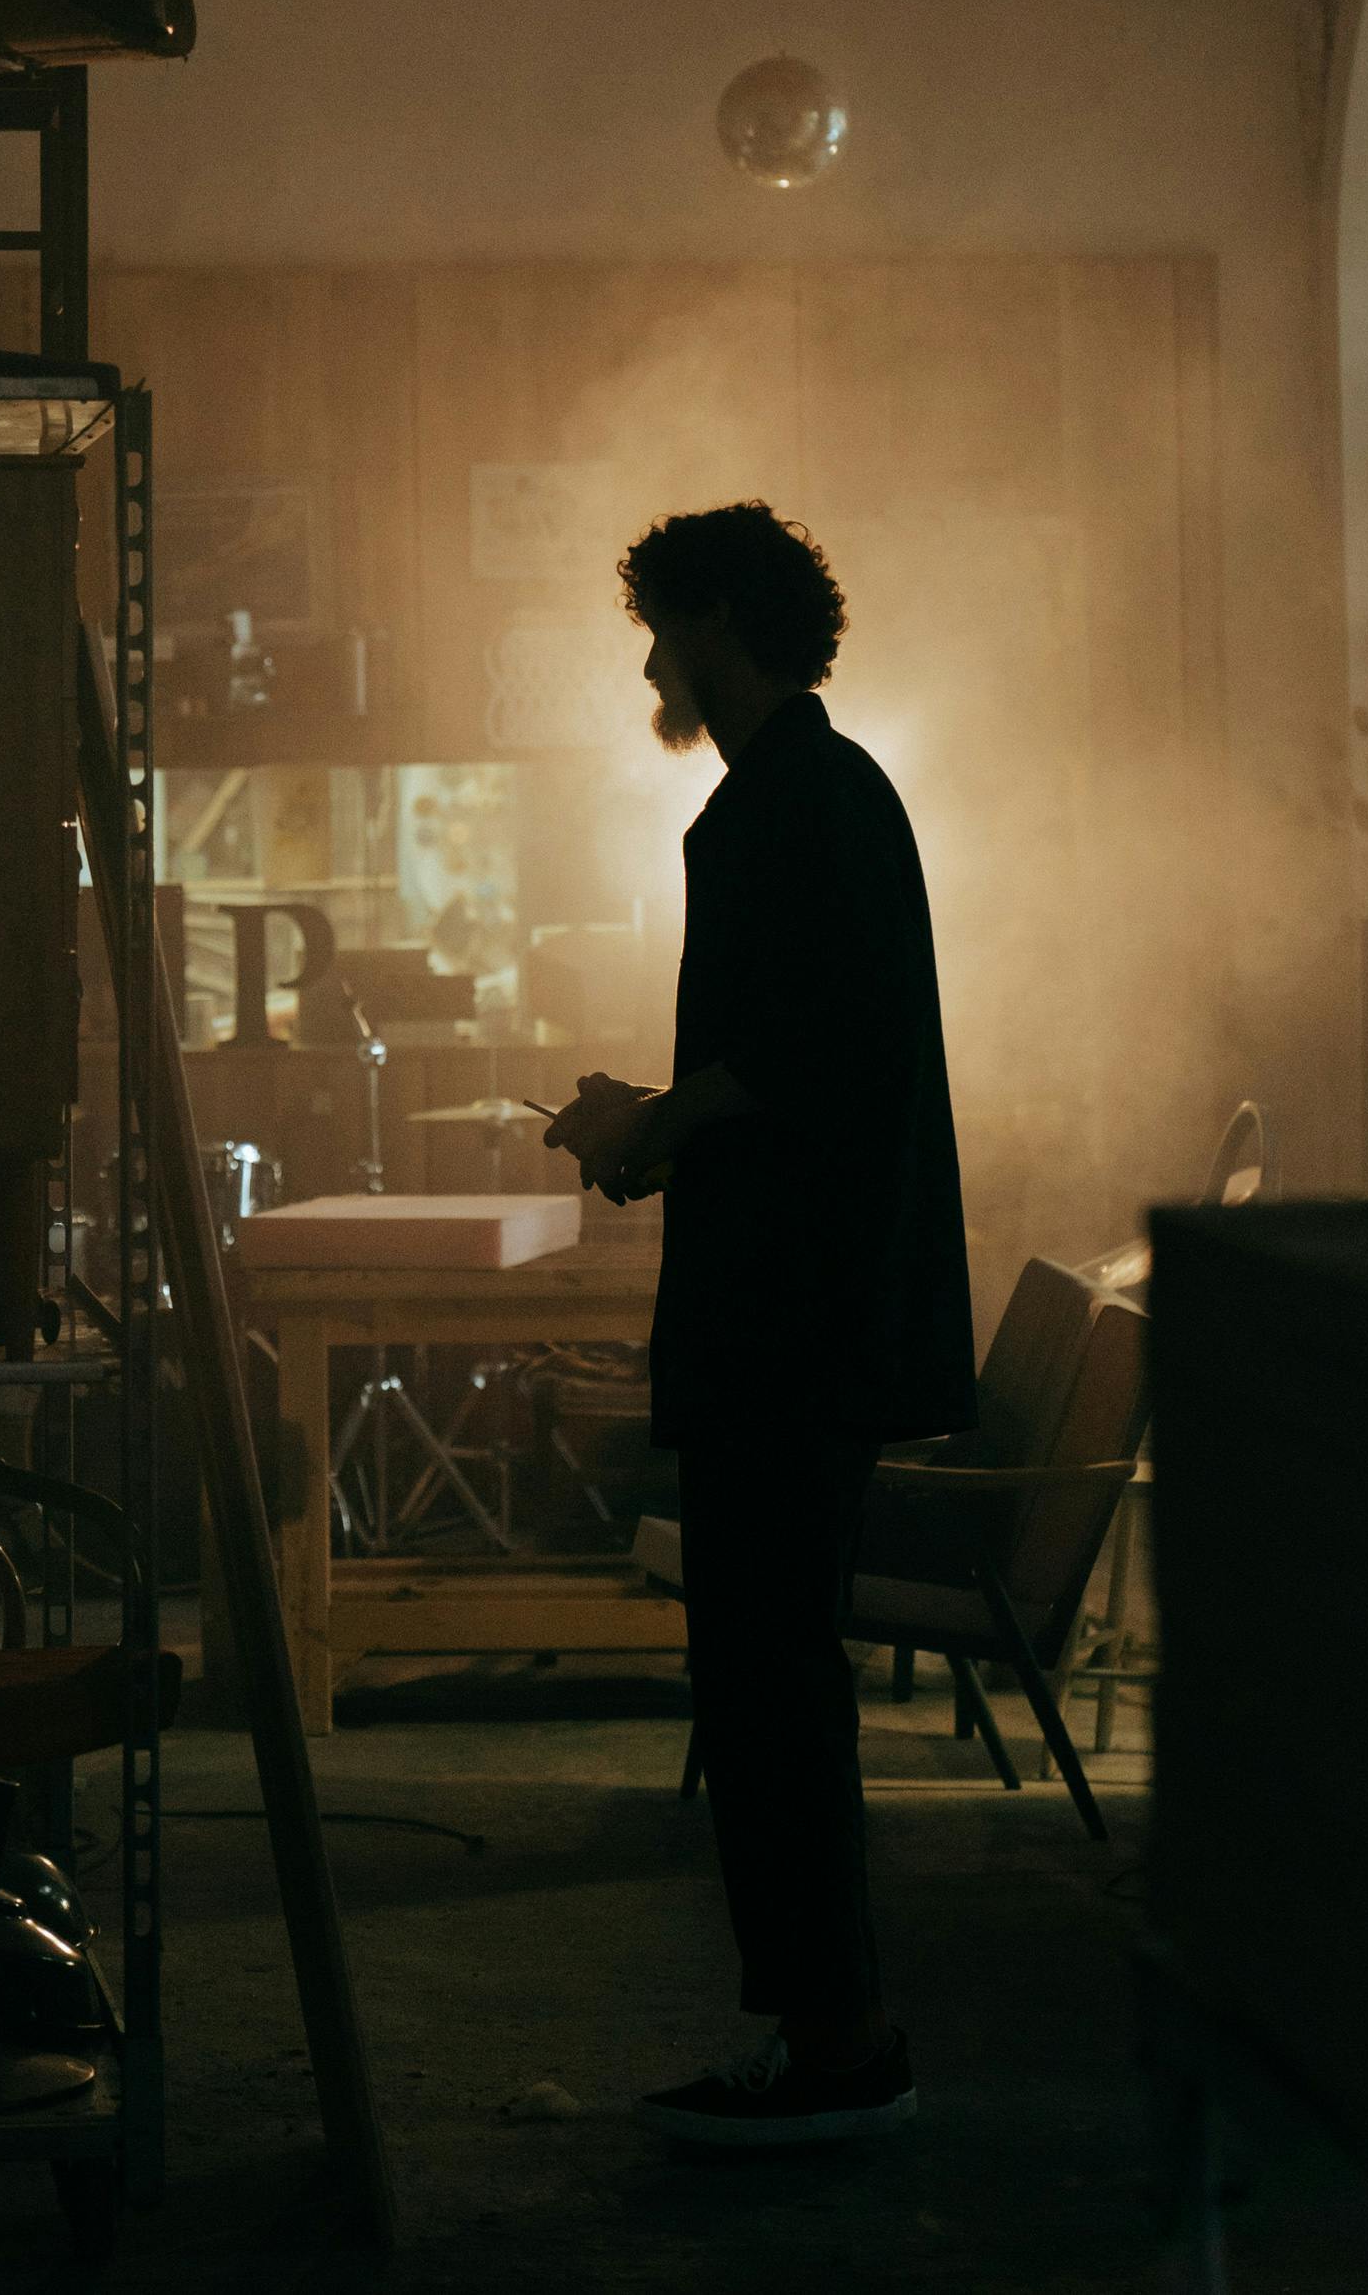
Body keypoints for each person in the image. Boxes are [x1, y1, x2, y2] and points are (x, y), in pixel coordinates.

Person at [543, 500, 974, 2149]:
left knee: (767, 1682)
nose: (650, 660)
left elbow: (812, 1066)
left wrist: (653, 1122)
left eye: (658, 625)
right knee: (769, 1678)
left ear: (714, 617)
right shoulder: (819, 794)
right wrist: (655, 1129)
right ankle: (826, 2029)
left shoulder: (790, 802)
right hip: (804, 1314)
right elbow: (803, 1078)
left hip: (790, 1328)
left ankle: (835, 2042)